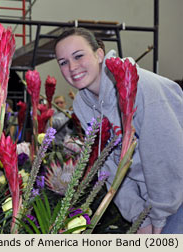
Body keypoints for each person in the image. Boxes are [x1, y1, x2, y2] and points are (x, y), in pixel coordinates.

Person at [54, 27, 183, 234]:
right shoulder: (83, 104)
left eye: (78, 56)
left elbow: (165, 161)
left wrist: (158, 218)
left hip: (175, 192)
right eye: (63, 62)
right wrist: (139, 217)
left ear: (99, 54)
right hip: (150, 198)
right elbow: (110, 163)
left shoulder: (143, 86)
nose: (72, 67)